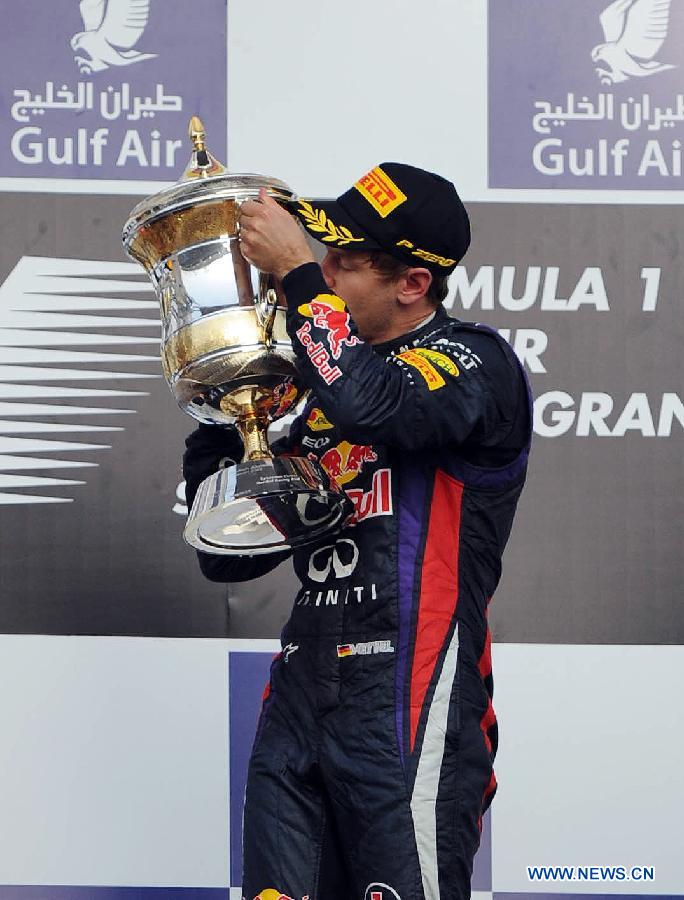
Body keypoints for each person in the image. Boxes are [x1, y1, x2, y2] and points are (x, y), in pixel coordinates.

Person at [183, 163, 533, 900]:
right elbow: (232, 557)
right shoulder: (313, 395)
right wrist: (223, 408)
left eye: (344, 261)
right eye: (323, 252)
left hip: (410, 688)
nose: (324, 268)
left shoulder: (474, 362)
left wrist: (300, 277)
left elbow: (377, 407)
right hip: (303, 687)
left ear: (411, 283)